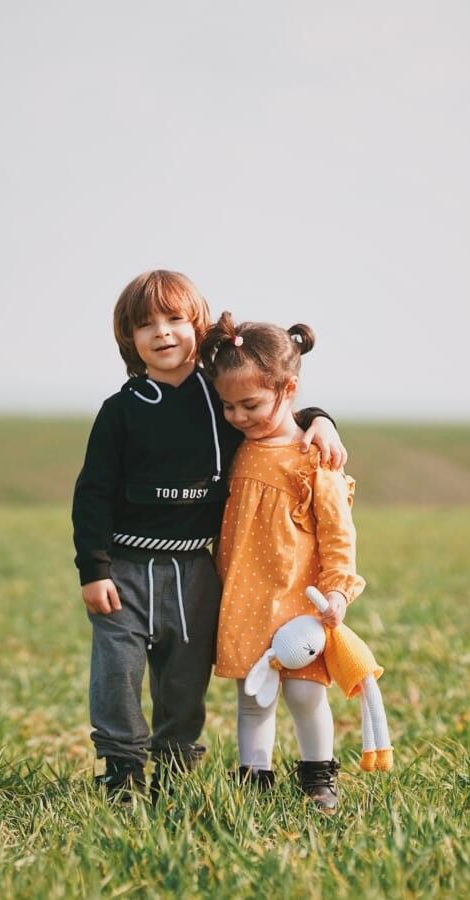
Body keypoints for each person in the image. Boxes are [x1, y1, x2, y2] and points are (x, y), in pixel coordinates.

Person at [71, 270, 347, 801]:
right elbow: (93, 493)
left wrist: (322, 419)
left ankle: (175, 772)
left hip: (199, 570)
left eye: (176, 318)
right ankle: (122, 772)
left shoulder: (219, 399)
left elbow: (270, 415)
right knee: (117, 676)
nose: (163, 332)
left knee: (183, 680)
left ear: (197, 325)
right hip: (126, 569)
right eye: (146, 323)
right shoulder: (121, 412)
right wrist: (94, 568)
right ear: (128, 338)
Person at [201, 312, 366, 813]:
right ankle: (255, 779)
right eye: (228, 406)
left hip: (298, 603)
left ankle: (318, 777)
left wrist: (337, 592)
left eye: (250, 404)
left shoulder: (315, 458)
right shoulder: (237, 449)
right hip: (245, 596)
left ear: (288, 388)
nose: (238, 416)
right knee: (253, 697)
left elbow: (340, 535)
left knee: (303, 696)